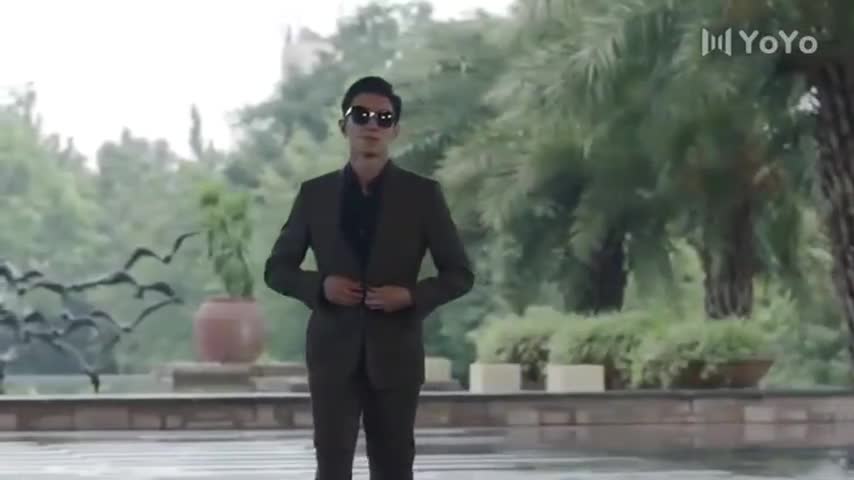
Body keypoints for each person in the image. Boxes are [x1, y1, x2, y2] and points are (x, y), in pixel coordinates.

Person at [263, 75, 474, 480]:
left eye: (384, 118)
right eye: (361, 115)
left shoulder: (422, 195)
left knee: (394, 465)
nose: (372, 124)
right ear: (344, 125)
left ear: (395, 130)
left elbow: (459, 273)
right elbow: (278, 269)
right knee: (331, 466)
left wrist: (409, 296)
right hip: (331, 354)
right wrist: (320, 287)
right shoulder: (315, 195)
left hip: (396, 353)